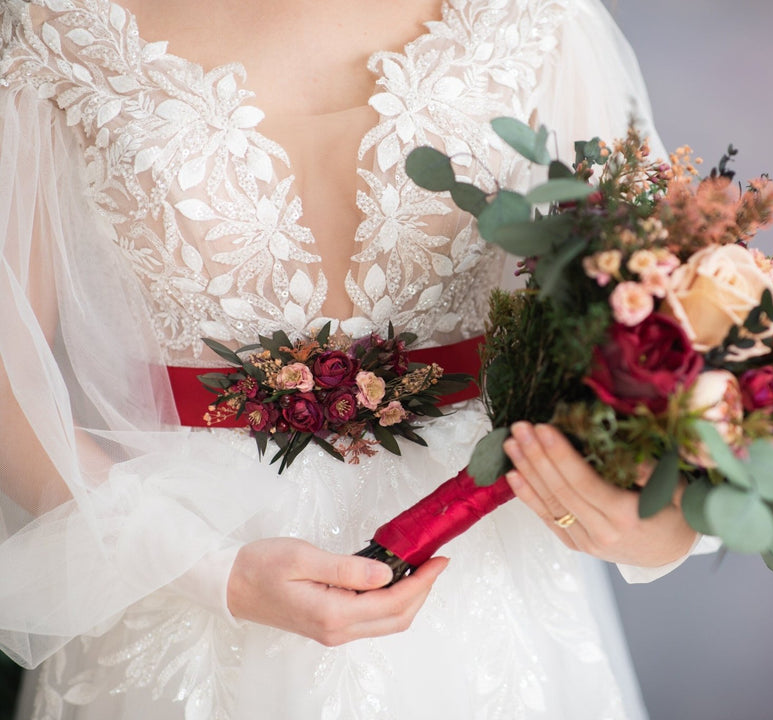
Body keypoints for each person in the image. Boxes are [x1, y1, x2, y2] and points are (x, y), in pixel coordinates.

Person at [0, 0, 710, 717]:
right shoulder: (59, 26)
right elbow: (7, 383)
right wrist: (210, 573)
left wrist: (655, 519)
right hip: (183, 570)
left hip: (482, 553)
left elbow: (664, 308)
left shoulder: (537, 16)